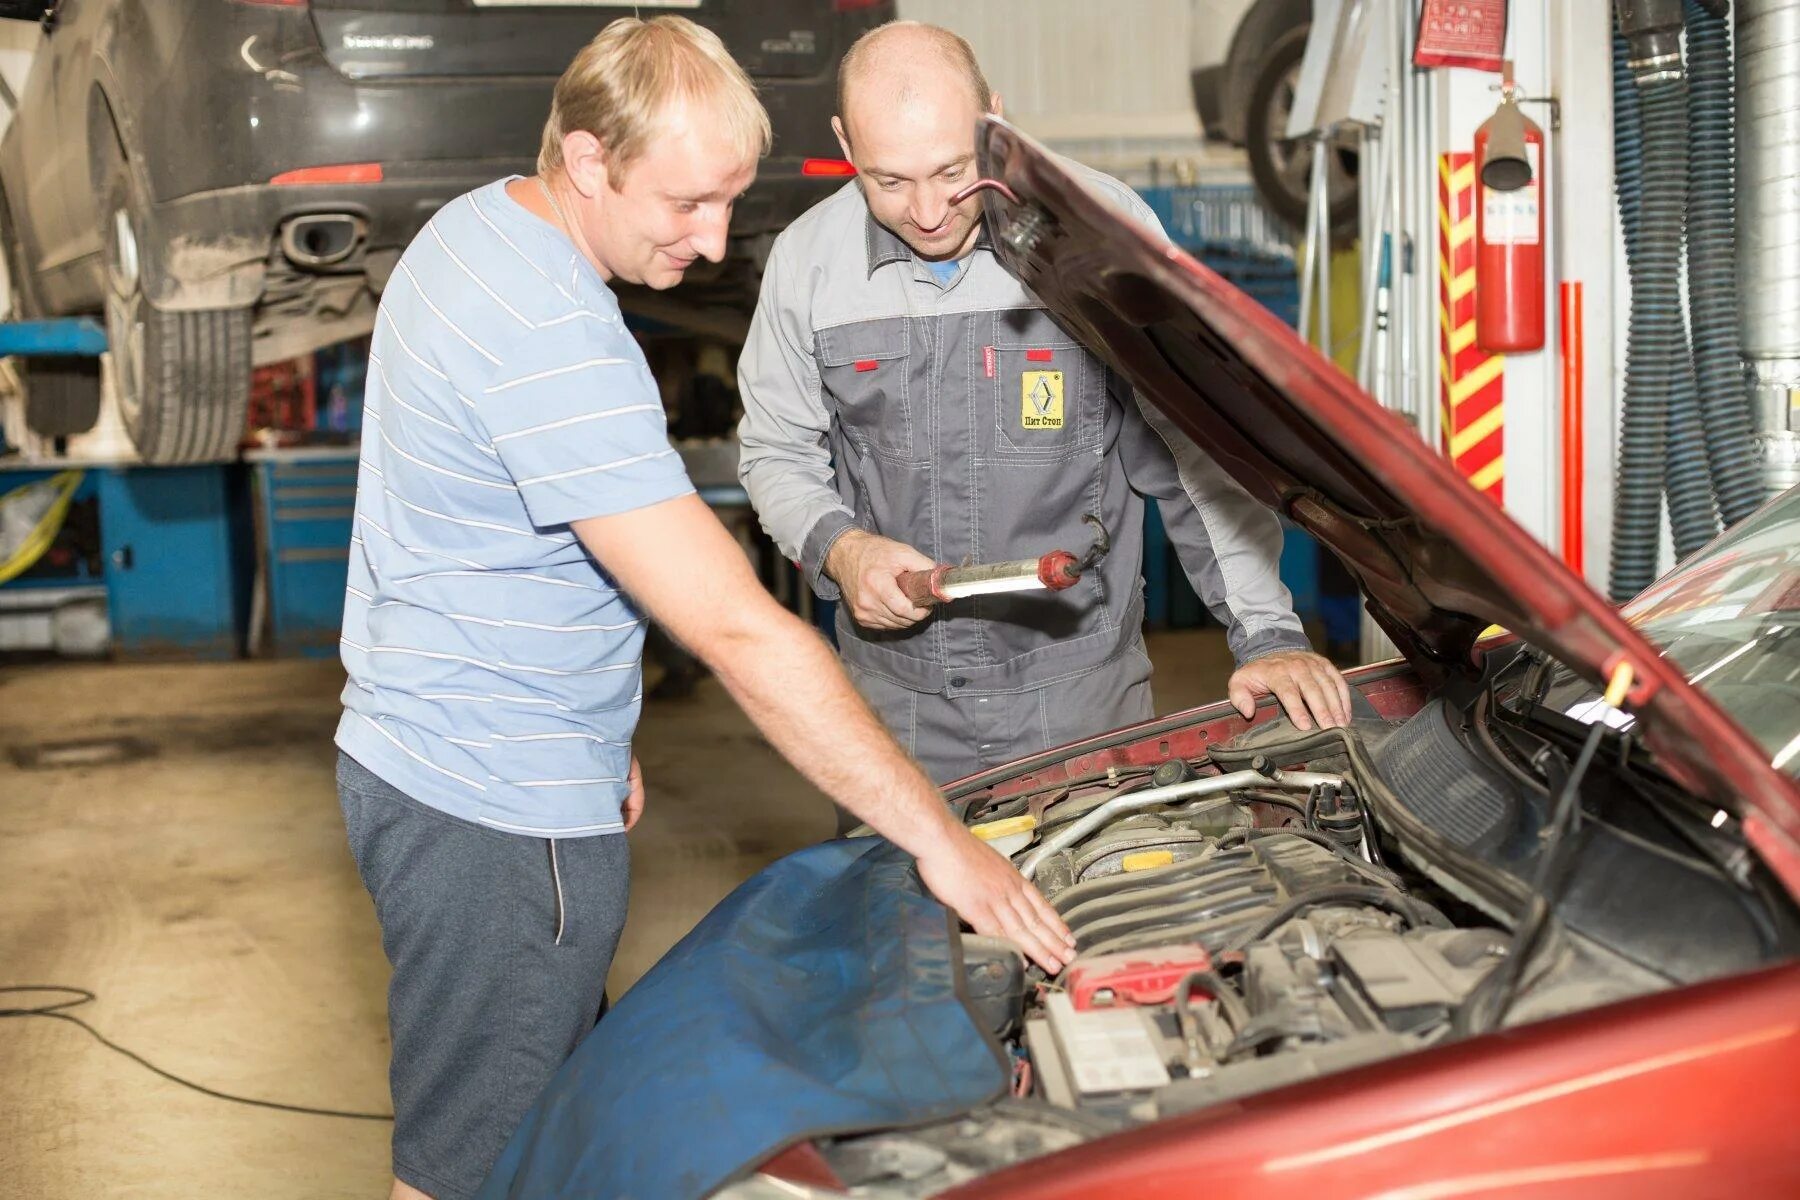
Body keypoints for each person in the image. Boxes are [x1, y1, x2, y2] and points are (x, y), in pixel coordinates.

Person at [333, 18, 1073, 1200]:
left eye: (731, 201)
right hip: (494, 807)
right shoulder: (556, 335)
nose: (714, 239)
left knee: (539, 1137)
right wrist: (941, 842)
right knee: (471, 1167)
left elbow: (477, 542)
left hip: (438, 757)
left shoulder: (477, 231)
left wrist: (597, 721)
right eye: (685, 203)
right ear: (586, 160)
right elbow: (734, 627)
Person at [737, 21, 1352, 817]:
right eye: (887, 181)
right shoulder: (806, 265)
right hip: (893, 717)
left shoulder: (1103, 235)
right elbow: (776, 451)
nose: (926, 211)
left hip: (1082, 707)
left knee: (1098, 929)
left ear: (996, 120)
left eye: (953, 171)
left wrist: (1267, 634)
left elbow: (1194, 456)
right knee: (913, 940)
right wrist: (841, 549)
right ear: (843, 141)